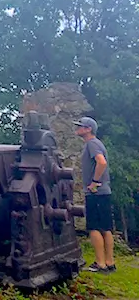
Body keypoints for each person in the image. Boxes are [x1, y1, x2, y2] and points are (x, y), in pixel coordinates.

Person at [74, 116, 116, 273]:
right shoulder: (96, 143)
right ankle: (109, 263)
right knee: (106, 228)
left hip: (96, 193)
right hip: (104, 192)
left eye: (80, 126)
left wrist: (94, 182)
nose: (77, 128)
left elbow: (102, 162)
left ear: (88, 129)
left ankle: (100, 264)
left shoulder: (92, 144)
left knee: (94, 228)